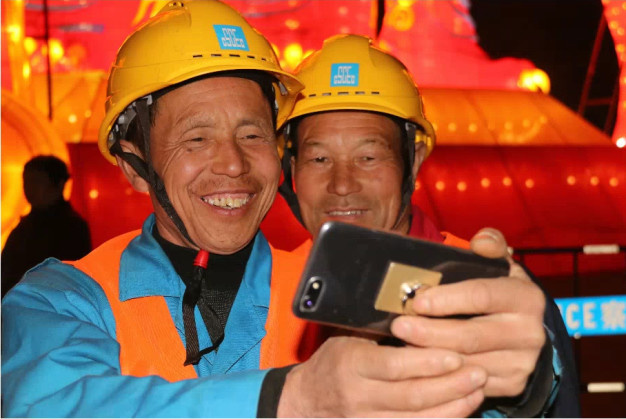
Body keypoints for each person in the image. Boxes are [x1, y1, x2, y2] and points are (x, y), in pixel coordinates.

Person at [2, 2, 505, 417]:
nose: (234, 164)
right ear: (134, 167)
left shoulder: (354, 282)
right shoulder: (59, 301)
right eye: (196, 139)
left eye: (252, 134)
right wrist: (297, 397)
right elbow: (51, 405)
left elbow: (465, 381)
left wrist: (525, 378)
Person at [277, 34, 580, 417]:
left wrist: (529, 385)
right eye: (319, 159)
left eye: (368, 157)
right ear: (291, 169)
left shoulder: (489, 291)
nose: (341, 184)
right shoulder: (267, 292)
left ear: (414, 159)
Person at [1, 155, 91, 296]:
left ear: (59, 184)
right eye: (26, 181)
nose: (29, 187)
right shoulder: (25, 225)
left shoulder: (71, 227)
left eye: (36, 181)